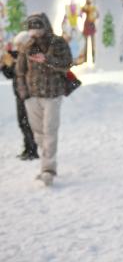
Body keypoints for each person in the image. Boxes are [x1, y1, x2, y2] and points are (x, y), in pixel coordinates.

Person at [16, 13, 72, 186]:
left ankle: (48, 168)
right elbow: (20, 70)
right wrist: (23, 92)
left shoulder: (58, 42)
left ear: (44, 26)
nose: (34, 32)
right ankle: (45, 159)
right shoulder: (28, 45)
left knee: (50, 130)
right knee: (38, 133)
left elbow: (67, 64)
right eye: (31, 28)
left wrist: (46, 59)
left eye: (37, 27)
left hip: (52, 95)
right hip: (32, 96)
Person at [1, 31, 38, 160]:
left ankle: (33, 150)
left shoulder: (31, 55)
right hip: (19, 95)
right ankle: (28, 148)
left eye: (19, 44)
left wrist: (11, 64)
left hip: (28, 95)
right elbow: (11, 75)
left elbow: (23, 74)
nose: (17, 47)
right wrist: (3, 65)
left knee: (28, 123)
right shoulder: (20, 55)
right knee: (22, 123)